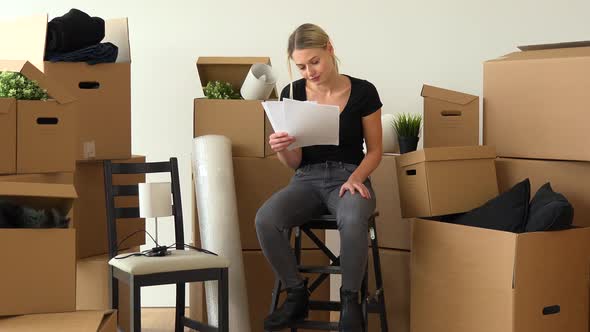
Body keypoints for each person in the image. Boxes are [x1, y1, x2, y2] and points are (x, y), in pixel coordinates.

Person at [255, 23, 383, 332]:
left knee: (353, 220)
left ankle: (350, 302)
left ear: (330, 49)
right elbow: (295, 162)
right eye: (301, 66)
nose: (309, 71)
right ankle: (297, 295)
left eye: (314, 62)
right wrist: (281, 148)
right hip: (307, 179)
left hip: (349, 176)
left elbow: (376, 150)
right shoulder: (292, 93)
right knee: (266, 219)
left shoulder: (364, 91)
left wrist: (356, 178)